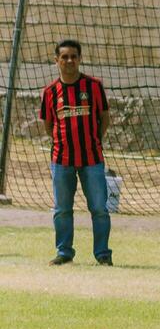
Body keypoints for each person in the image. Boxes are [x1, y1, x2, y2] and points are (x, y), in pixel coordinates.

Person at [40, 39, 112, 266]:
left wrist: (94, 141)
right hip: (61, 161)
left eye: (74, 56)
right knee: (62, 209)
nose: (69, 60)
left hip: (92, 159)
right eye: (65, 57)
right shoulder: (50, 91)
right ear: (56, 61)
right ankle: (64, 253)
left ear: (80, 59)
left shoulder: (93, 86)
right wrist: (62, 142)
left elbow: (104, 117)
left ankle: (102, 255)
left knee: (99, 208)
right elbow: (48, 124)